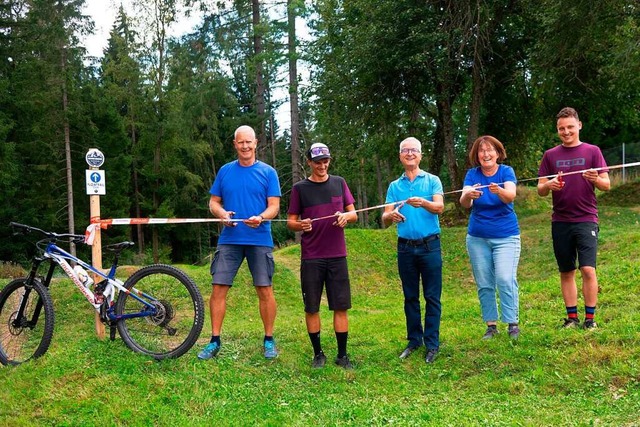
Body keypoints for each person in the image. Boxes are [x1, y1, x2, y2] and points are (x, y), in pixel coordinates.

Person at [198, 125, 281, 360]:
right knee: (218, 288)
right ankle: (214, 341)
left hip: (260, 238)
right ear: (235, 144)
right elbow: (213, 202)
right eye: (240, 142)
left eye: (249, 142)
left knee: (264, 289)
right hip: (230, 239)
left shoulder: (268, 172)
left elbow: (274, 206)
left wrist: (262, 217)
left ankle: (268, 340)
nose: (245, 146)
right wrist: (221, 213)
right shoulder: (225, 171)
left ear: (256, 143)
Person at [287, 143, 358, 370]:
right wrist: (300, 224)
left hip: (337, 254)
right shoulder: (300, 188)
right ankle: (318, 354)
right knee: (312, 307)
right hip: (312, 256)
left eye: (325, 161)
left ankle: (342, 355)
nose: (322, 166)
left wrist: (347, 218)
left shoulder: (339, 183)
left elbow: (353, 213)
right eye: (317, 162)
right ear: (309, 162)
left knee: (340, 306)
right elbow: (290, 221)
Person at [537, 107, 610, 329]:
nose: (566, 131)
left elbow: (606, 185)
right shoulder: (550, 155)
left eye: (570, 127)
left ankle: (590, 319)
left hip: (586, 218)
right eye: (561, 128)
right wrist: (548, 185)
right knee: (566, 271)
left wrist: (596, 179)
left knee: (588, 269)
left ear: (579, 125)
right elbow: (540, 188)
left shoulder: (592, 151)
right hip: (560, 221)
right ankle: (571, 318)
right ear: (557, 130)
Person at [382, 137, 444, 364]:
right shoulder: (394, 186)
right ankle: (414, 340)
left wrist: (424, 203)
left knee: (432, 297)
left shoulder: (432, 180)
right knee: (410, 297)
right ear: (400, 156)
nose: (410, 154)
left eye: (414, 150)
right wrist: (391, 216)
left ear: (420, 155)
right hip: (405, 248)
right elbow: (385, 217)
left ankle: (432, 343)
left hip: (430, 246)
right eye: (405, 150)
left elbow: (439, 207)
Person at [460, 136, 521, 340]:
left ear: (497, 152)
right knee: (485, 282)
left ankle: (512, 323)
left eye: (490, 150)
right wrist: (469, 195)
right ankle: (491, 325)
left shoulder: (506, 171)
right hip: (477, 237)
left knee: (504, 278)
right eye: (481, 151)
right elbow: (464, 202)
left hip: (506, 236)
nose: (486, 154)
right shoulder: (472, 174)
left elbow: (510, 196)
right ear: (477, 155)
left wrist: (499, 190)